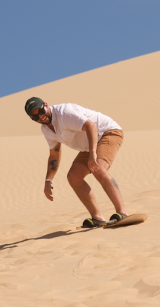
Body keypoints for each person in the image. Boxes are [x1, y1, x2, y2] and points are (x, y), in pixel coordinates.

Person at [24, 97, 128, 227]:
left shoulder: (64, 113)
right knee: (73, 177)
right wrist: (48, 181)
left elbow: (91, 126)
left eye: (40, 111)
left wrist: (92, 154)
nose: (40, 116)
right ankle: (97, 218)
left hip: (107, 132)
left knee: (99, 169)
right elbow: (54, 155)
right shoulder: (46, 130)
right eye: (34, 117)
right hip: (89, 145)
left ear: (46, 105)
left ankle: (122, 213)